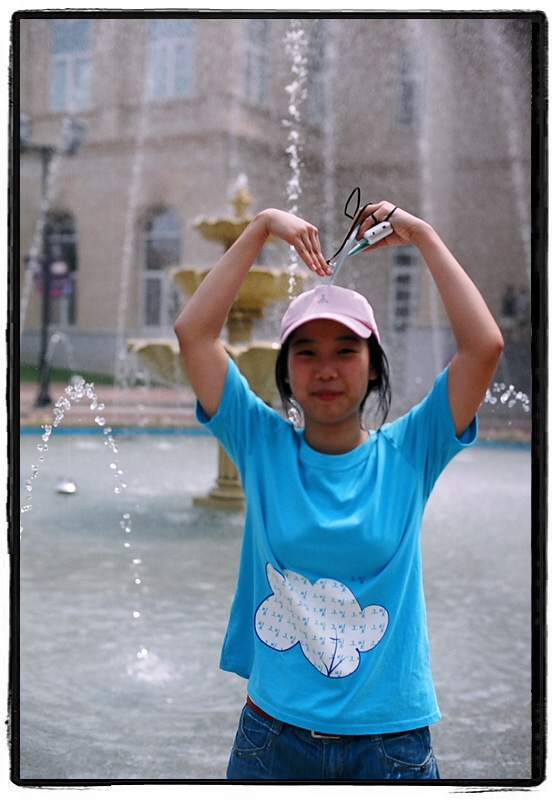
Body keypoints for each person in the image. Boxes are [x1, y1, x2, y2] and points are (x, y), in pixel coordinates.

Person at [174, 201, 504, 781]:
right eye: (307, 353)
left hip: (391, 745)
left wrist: (423, 235)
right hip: (272, 740)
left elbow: (484, 347)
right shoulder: (262, 445)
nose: (326, 369)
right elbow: (194, 334)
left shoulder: (412, 450)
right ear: (286, 371)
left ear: (373, 366)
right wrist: (260, 227)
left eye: (346, 351)